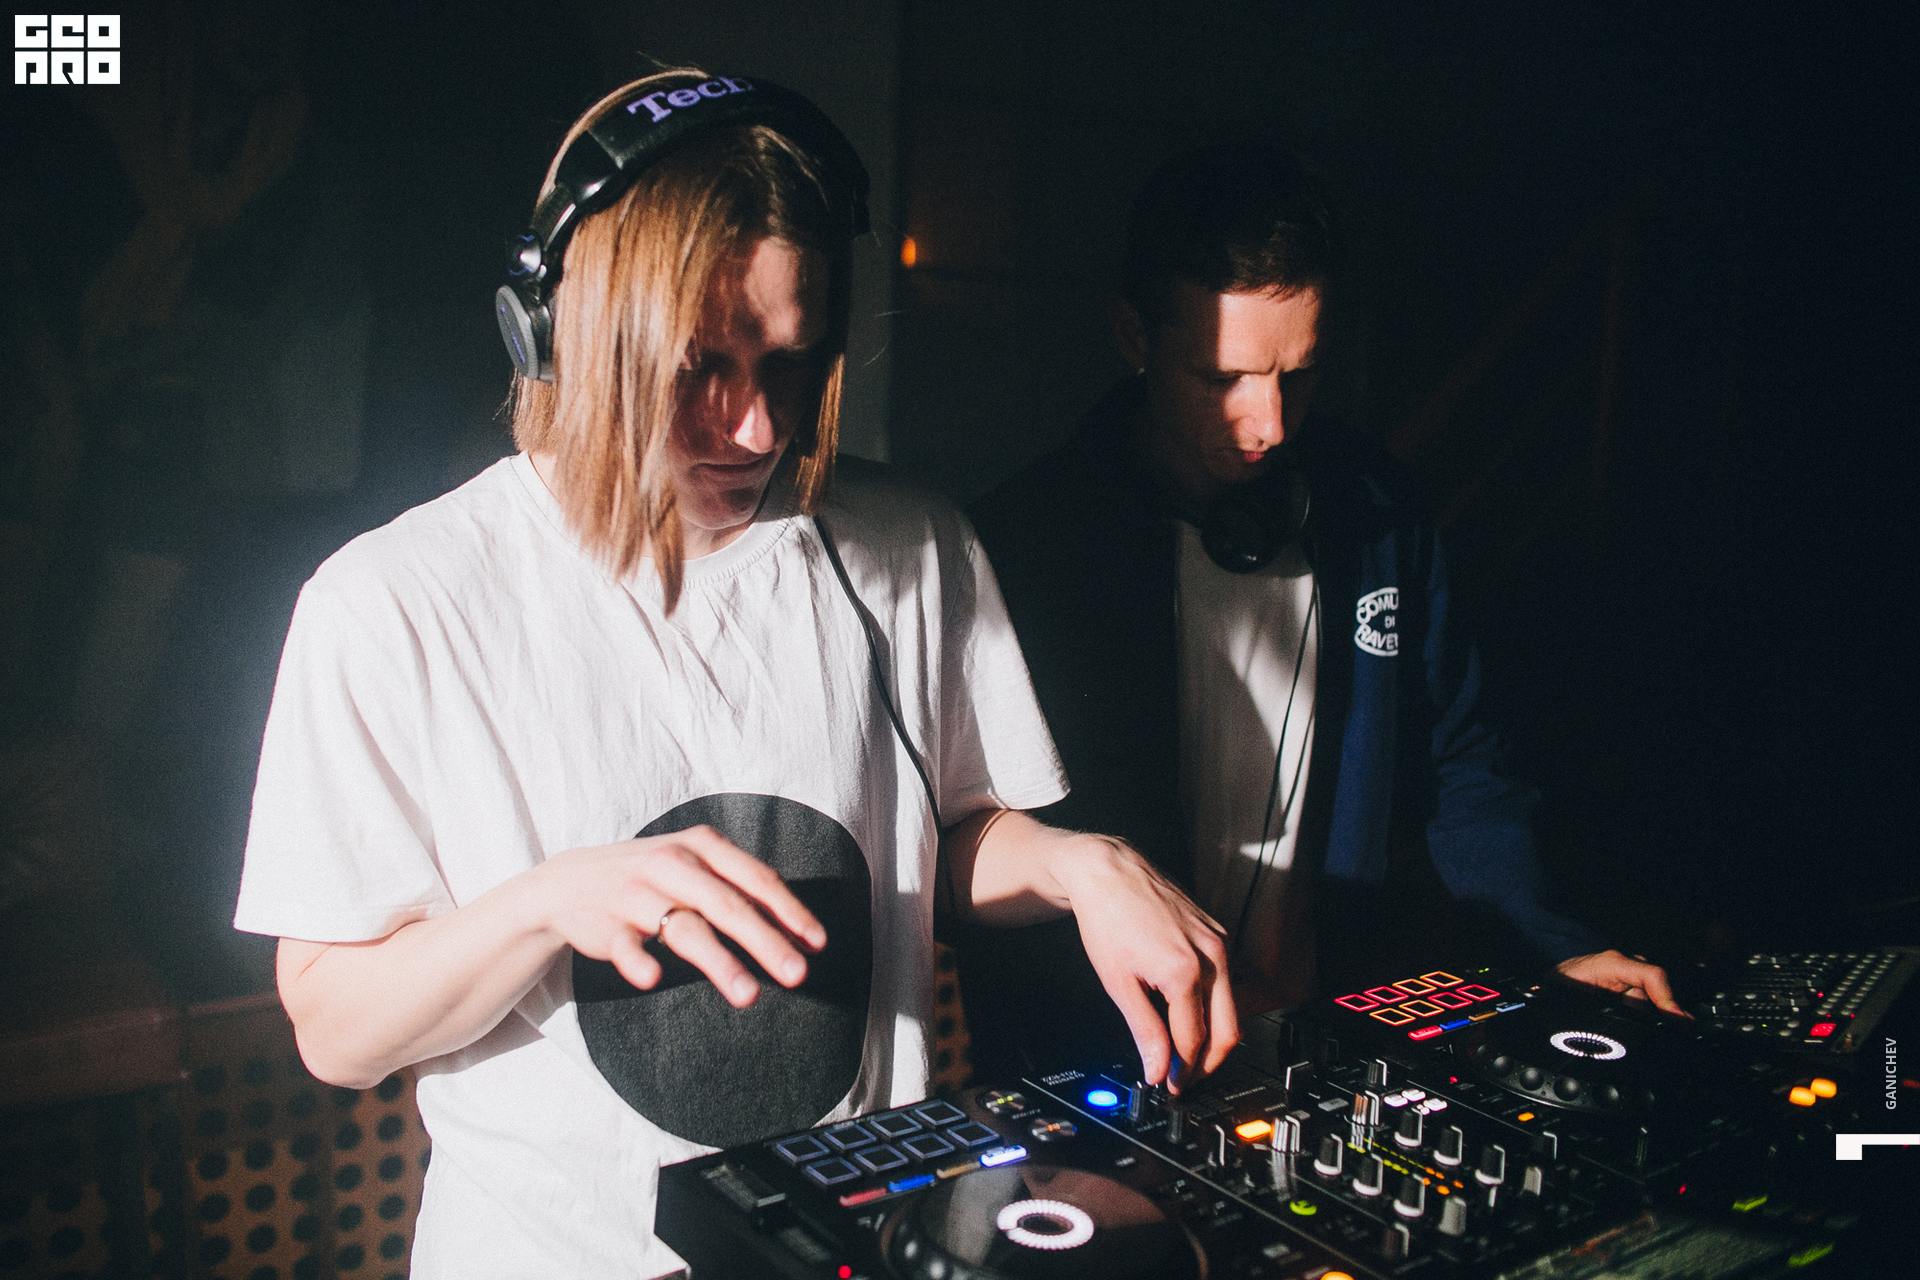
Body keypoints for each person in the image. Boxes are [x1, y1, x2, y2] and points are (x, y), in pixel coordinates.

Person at [233, 71, 1234, 1279]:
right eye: (702, 363)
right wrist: (549, 901)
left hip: (857, 1238)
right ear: (560, 333)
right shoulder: (393, 602)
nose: (757, 426)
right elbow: (336, 1025)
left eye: (790, 361)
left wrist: (1079, 864)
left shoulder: (909, 543)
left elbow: (945, 835)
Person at [963, 143, 1680, 1077]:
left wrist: (1552, 947)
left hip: (1322, 1048)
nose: (1270, 424)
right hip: (1106, 1068)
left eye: (1297, 374)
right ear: (1135, 336)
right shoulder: (1020, 545)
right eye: (1223, 379)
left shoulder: (1374, 512)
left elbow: (1462, 761)